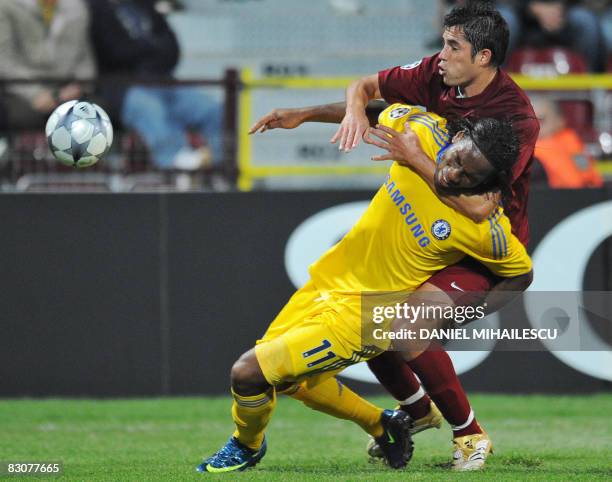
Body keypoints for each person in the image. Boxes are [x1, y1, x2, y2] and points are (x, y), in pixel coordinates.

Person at [249, 3, 539, 470]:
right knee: (372, 322)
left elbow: (479, 206)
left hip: (480, 249)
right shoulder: (437, 76)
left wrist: (413, 157)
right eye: (443, 42)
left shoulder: (513, 119)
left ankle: (471, 437)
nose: (440, 54)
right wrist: (310, 114)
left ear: (484, 57)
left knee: (403, 327)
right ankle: (418, 411)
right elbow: (367, 90)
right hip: (434, 239)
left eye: (453, 46)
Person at [198, 103, 533, 474]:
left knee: (247, 373)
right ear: (455, 138)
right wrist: (305, 114)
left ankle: (246, 446)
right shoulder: (419, 131)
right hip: (328, 282)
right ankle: (385, 424)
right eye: (455, 160)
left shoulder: (484, 227)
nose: (452, 175)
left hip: (364, 316)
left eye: (469, 177)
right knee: (292, 382)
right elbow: (377, 109)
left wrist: (465, 314)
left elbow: (520, 275)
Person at [86, 0, 223, 170]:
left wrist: (145, 53)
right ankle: (176, 161)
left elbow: (172, 49)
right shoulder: (94, 9)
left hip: (163, 82)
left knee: (212, 109)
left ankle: (218, 164)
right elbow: (115, 53)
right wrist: (151, 51)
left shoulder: (142, 5)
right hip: (123, 89)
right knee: (150, 108)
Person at [0, 0, 96, 130]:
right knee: (24, 117)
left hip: (67, 86)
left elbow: (84, 60)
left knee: (92, 111)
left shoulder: (76, 6)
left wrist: (78, 86)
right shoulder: (7, 5)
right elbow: (4, 61)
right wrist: (35, 93)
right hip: (21, 87)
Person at [531, 97, 603, 188]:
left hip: (583, 196)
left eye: (541, 120)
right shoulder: (521, 154)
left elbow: (587, 174)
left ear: (560, 121)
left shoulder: (572, 144)